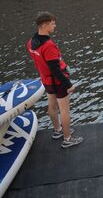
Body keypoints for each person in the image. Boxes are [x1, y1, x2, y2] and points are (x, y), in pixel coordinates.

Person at [27, 12, 83, 148]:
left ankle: (58, 130)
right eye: (53, 23)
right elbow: (55, 69)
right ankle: (67, 138)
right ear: (45, 25)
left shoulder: (30, 43)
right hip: (58, 81)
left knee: (51, 105)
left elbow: (41, 63)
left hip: (46, 80)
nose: (55, 26)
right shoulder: (49, 46)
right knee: (64, 110)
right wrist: (68, 84)